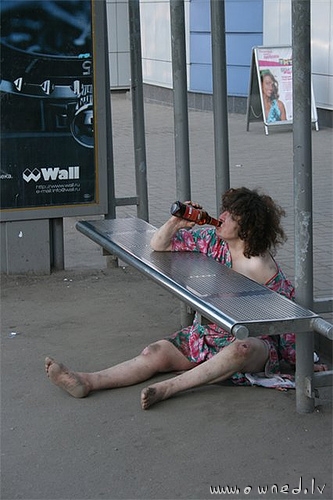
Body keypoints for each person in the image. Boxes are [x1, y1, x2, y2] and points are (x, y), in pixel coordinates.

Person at [45, 187, 326, 409]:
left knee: (242, 348)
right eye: (225, 210)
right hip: (210, 335)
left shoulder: (268, 274)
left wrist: (306, 363)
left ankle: (169, 388)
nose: (222, 216)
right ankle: (87, 381)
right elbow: (159, 245)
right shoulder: (214, 242)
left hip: (254, 347)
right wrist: (175, 222)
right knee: (153, 353)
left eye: (231, 215)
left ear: (247, 228)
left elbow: (290, 329)